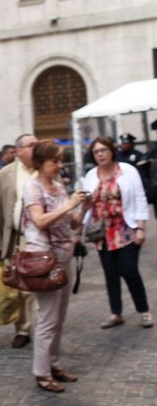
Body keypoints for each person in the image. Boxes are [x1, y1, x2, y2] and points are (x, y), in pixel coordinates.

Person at [23, 139, 90, 393]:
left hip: (63, 256)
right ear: (41, 162)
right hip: (44, 259)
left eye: (61, 160)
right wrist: (69, 205)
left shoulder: (59, 186)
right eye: (55, 161)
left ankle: (53, 364)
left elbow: (71, 224)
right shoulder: (32, 187)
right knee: (48, 318)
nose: (60, 165)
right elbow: (39, 221)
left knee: (59, 317)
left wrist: (83, 208)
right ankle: (41, 373)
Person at [82, 137, 152, 330]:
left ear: (112, 151)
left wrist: (140, 228)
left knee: (129, 269)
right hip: (102, 233)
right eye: (96, 151)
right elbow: (87, 205)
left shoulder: (127, 170)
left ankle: (144, 310)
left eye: (104, 150)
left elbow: (139, 197)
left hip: (125, 229)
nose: (101, 154)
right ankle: (116, 313)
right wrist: (80, 229)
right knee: (110, 273)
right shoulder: (90, 176)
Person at [0, 133, 38, 348]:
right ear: (18, 151)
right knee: (20, 288)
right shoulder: (6, 174)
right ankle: (23, 329)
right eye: (30, 145)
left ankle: (43, 327)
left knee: (38, 286)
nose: (35, 148)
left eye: (37, 144)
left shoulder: (44, 169)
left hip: (39, 238)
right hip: (16, 240)